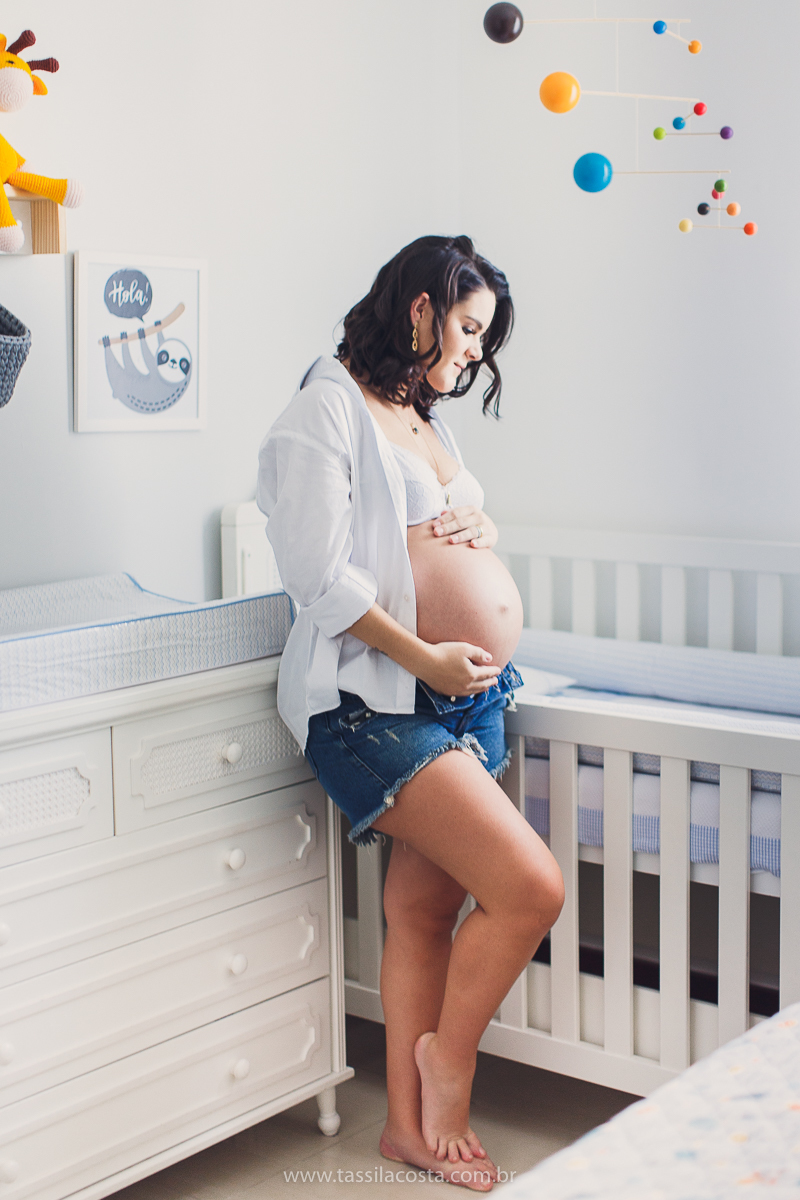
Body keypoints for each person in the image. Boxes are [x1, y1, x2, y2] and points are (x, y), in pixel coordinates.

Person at [257, 235, 563, 1192]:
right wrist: (428, 655)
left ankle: (407, 1131)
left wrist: (485, 526)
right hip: (375, 702)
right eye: (468, 328)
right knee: (531, 889)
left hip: (466, 697)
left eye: (484, 338)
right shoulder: (325, 410)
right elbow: (321, 580)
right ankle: (450, 1063)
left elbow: (441, 521)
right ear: (422, 308)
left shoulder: (420, 413)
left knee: (424, 912)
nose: (473, 351)